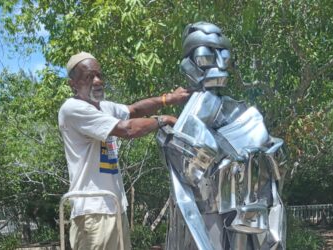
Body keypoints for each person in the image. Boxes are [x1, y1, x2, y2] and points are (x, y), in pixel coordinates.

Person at [156, 22, 287, 249]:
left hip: (246, 214)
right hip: (208, 214)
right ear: (190, 63)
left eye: (223, 57)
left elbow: (272, 164)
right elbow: (191, 171)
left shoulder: (243, 113)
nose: (217, 66)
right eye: (206, 57)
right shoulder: (194, 115)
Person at [58, 52, 190, 250]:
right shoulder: (73, 108)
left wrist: (168, 98)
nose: (97, 81)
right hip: (93, 212)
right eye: (88, 77)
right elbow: (127, 129)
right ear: (73, 84)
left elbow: (134, 110)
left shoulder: (103, 107)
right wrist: (163, 119)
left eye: (99, 75)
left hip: (114, 207)